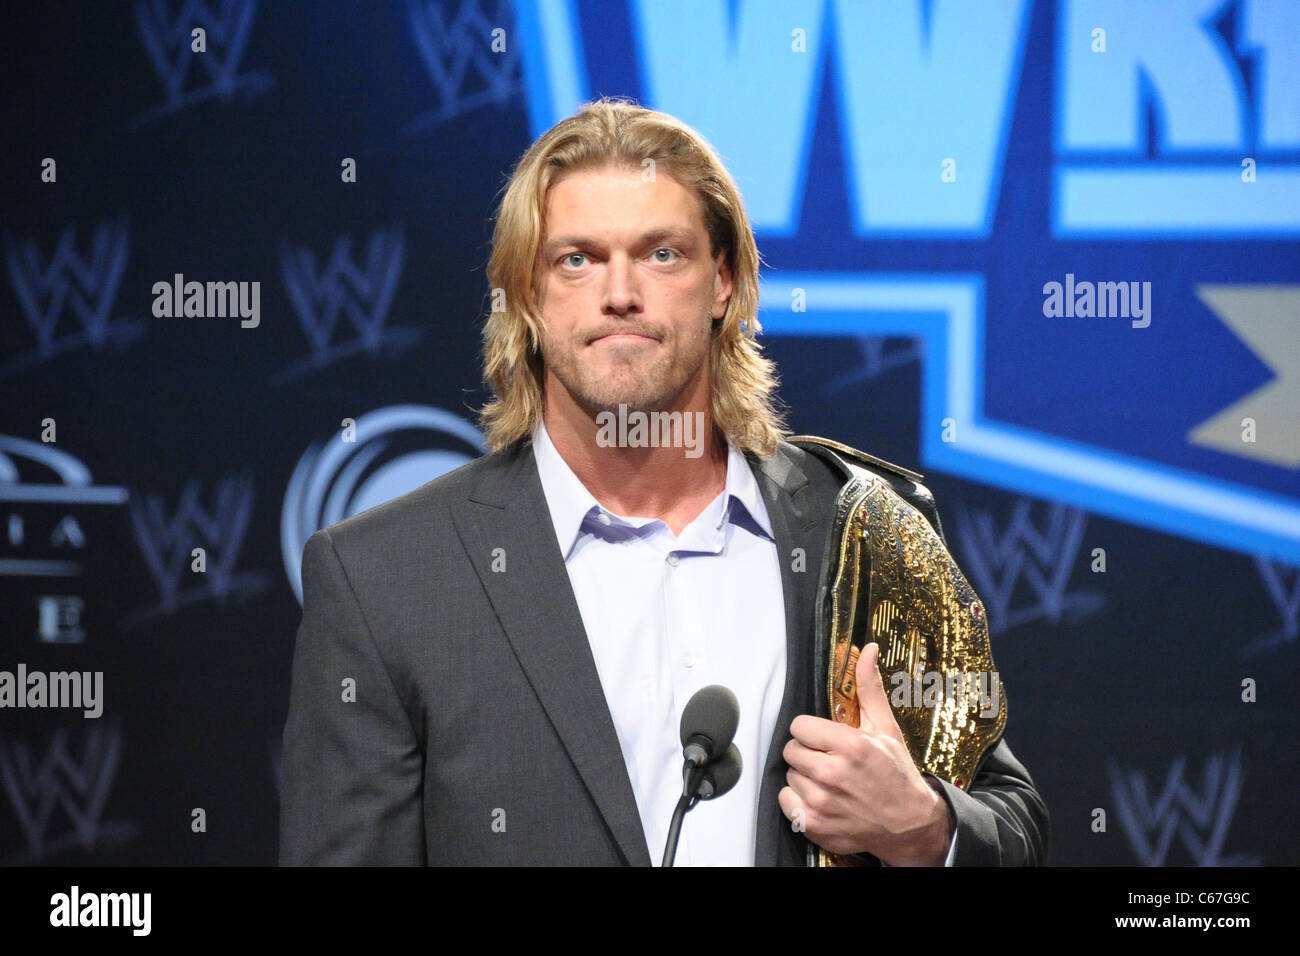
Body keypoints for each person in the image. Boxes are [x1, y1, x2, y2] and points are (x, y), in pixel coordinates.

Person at [279, 97, 1048, 866]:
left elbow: (1012, 825)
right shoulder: (386, 577)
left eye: (661, 254)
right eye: (576, 258)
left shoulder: (858, 531)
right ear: (527, 298)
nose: (620, 292)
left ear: (722, 282)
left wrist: (925, 830)